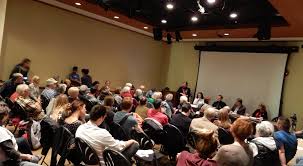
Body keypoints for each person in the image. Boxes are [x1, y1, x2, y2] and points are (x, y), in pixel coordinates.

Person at [0, 101, 41, 166]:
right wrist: (27, 156)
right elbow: (11, 153)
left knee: (22, 140)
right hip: (9, 161)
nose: (8, 117)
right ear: (4, 116)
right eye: (7, 115)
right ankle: (30, 159)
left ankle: (31, 159)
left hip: (7, 150)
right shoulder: (2, 133)